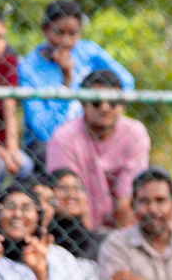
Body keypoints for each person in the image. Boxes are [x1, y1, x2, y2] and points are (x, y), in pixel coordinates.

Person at [18, 0, 135, 163]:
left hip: (92, 132)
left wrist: (99, 109)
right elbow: (45, 131)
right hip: (48, 145)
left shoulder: (87, 51)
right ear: (45, 30)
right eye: (59, 33)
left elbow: (126, 81)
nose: (66, 41)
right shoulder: (29, 68)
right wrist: (66, 82)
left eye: (73, 34)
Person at [46, 69, 150, 229]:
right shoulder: (64, 137)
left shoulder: (135, 133)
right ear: (83, 103)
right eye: (96, 102)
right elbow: (69, 196)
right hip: (74, 226)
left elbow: (127, 195)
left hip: (124, 225)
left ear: (122, 105)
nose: (105, 108)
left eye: (113, 102)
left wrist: (118, 241)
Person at [0, 10, 28, 186]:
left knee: (25, 165)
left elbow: (9, 107)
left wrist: (12, 148)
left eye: (0, 36)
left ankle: (11, 205)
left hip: (1, 137)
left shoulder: (8, 62)